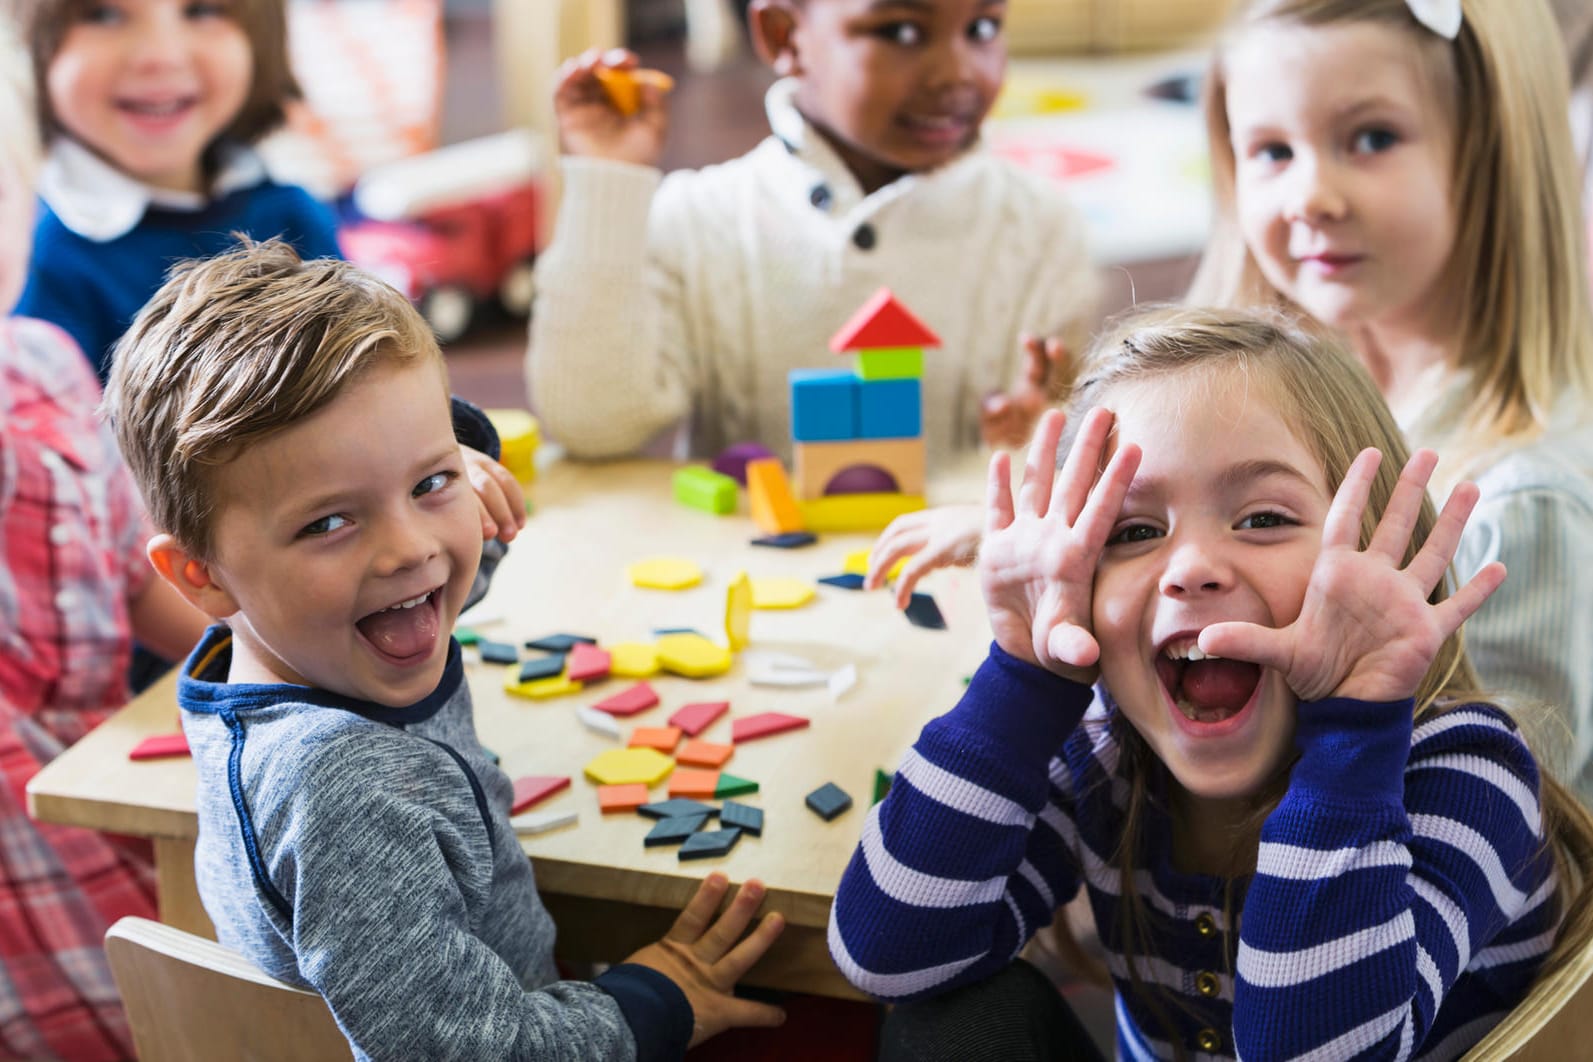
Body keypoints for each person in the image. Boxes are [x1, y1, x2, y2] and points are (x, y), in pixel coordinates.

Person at [874, 0, 1593, 802]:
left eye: (1372, 138)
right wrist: (1074, 534)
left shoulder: (1522, 502)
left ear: (1493, 154)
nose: (1310, 195)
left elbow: (1512, 825)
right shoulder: (1300, 375)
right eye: (1271, 150)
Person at [829, 308, 1593, 1061]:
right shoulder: (1104, 758)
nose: (1191, 567)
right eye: (1131, 533)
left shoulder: (1464, 774)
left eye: (1262, 518)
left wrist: (1353, 733)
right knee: (950, 1021)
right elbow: (889, 956)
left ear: (1377, 554)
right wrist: (1024, 678)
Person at [102, 240, 788, 1061]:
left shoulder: (275, 643)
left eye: (429, 485)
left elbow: (450, 568)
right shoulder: (341, 786)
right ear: (200, 575)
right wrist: (651, 1002)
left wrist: (454, 472)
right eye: (329, 522)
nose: (408, 551)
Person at [528, 0, 1096, 462]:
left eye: (981, 27)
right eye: (900, 30)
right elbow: (590, 424)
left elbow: (1076, 462)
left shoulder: (1043, 228)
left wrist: (1041, 438)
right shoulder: (699, 220)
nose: (956, 71)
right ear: (785, 37)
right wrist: (610, 179)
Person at [12, 0, 341, 379]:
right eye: (103, 15)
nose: (161, 56)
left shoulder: (292, 211)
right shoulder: (33, 259)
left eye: (202, 10)